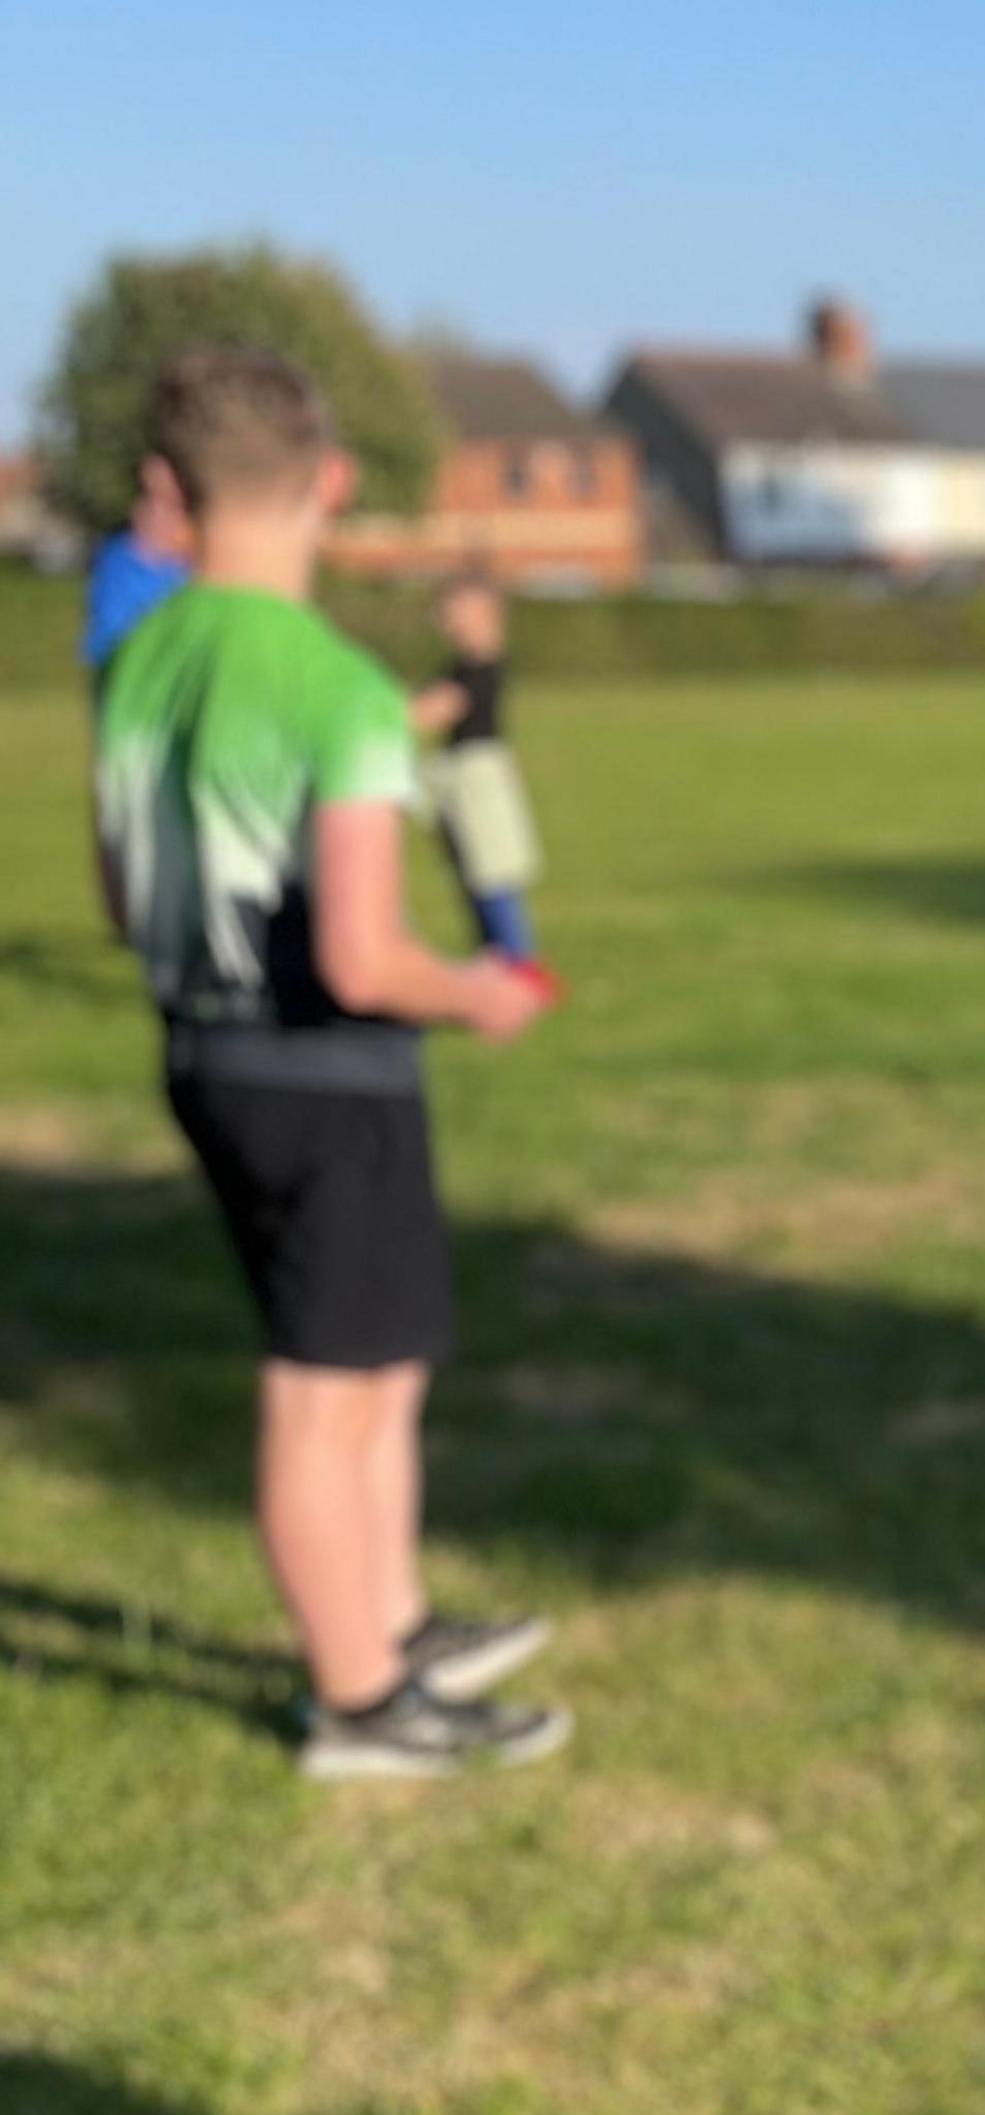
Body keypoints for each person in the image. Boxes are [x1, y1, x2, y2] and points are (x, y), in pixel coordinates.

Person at [89, 347, 567, 1780]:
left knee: (380, 1364)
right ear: (333, 484)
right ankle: (357, 1697)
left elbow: (123, 902)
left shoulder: (136, 661)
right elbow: (365, 959)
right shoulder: (339, 686)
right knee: (323, 1386)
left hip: (207, 1056)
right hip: (329, 1078)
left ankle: (394, 1619)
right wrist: (479, 989)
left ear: (167, 491)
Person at [408, 573, 555, 982]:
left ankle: (520, 966)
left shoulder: (481, 665)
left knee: (493, 876)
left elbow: (432, 710)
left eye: (456, 608)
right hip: (457, 776)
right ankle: (494, 962)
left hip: (477, 778)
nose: (446, 617)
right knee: (474, 875)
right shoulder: (458, 665)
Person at [81, 454, 195, 674]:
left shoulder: (209, 566)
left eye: (174, 503)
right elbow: (105, 643)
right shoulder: (117, 561)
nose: (161, 512)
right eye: (151, 497)